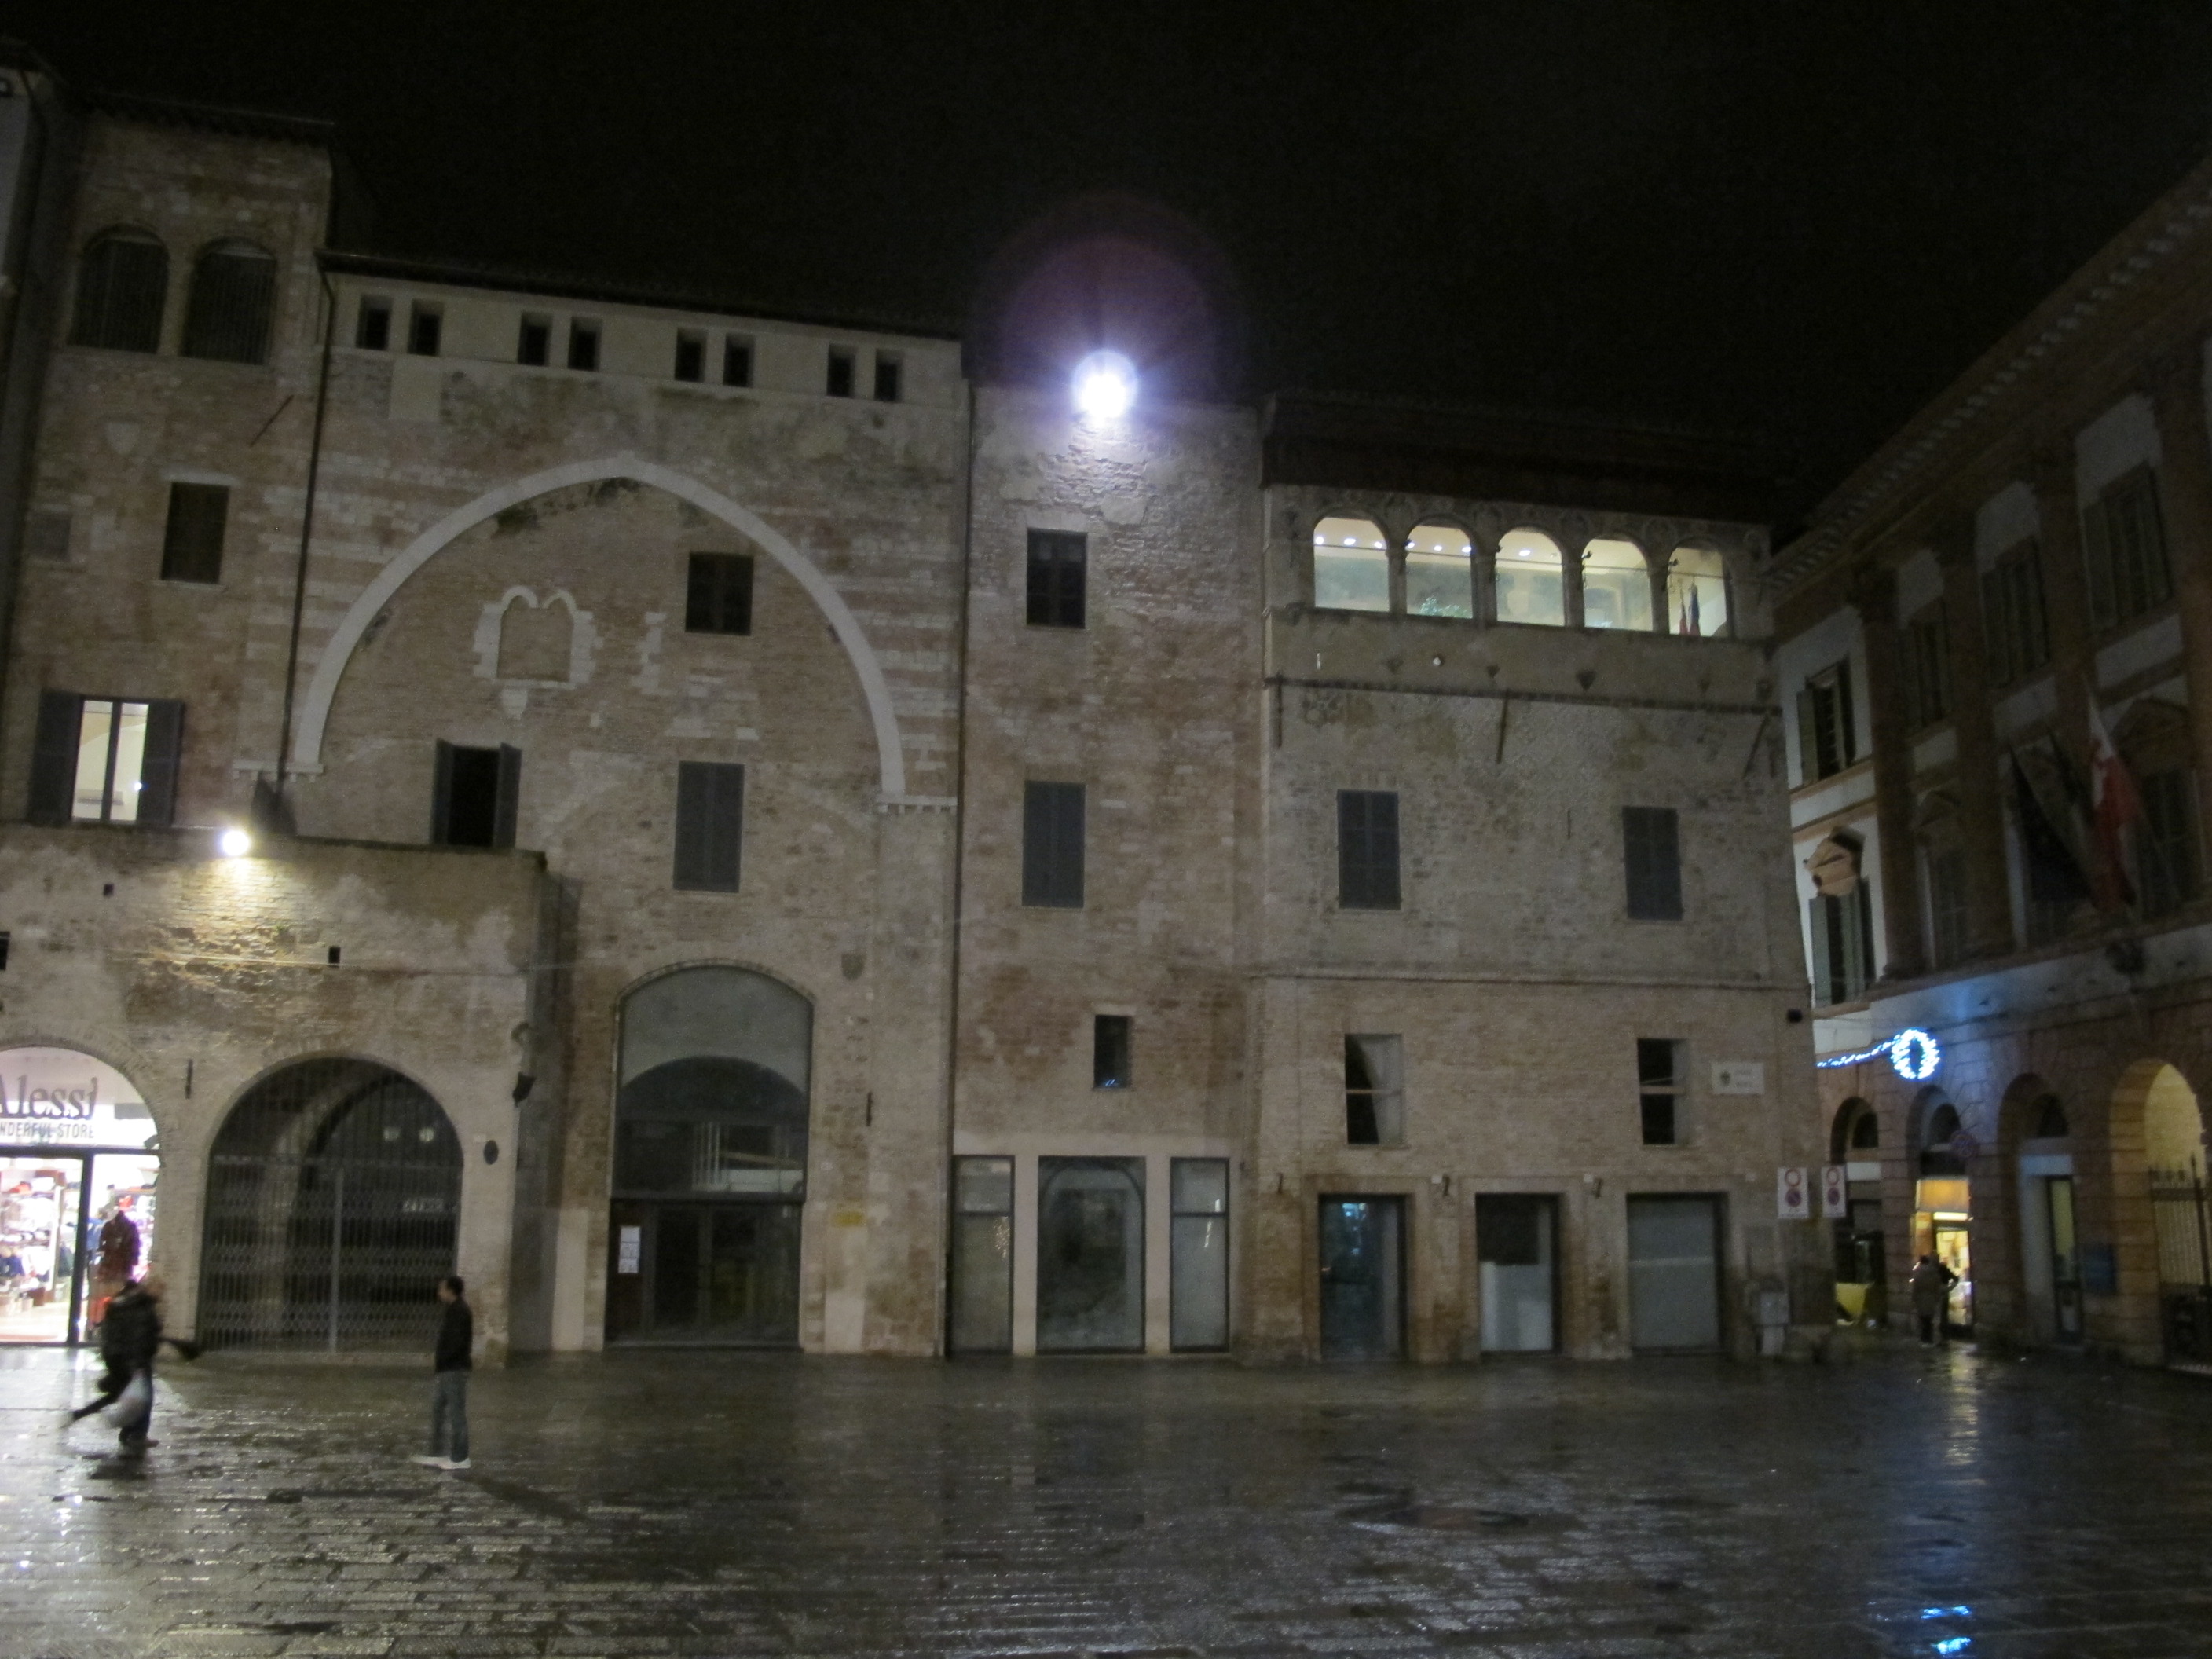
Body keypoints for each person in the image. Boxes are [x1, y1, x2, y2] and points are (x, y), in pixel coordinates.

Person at [72, 1272, 165, 1452]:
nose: (162, 1294)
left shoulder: (132, 1302)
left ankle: (129, 1432)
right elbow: (139, 1337)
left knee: (125, 1396)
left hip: (123, 1359)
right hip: (135, 1362)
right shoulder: (142, 1306)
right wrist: (137, 1365)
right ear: (152, 1289)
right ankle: (135, 1435)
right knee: (142, 1399)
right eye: (160, 1289)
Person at [411, 1276, 471, 1471]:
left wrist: (445, 1358)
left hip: (454, 1369)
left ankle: (460, 1457)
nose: (439, 1293)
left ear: (451, 1290)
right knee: (437, 1410)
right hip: (445, 1369)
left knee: (456, 1414)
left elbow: (457, 1342)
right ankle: (436, 1452)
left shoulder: (461, 1312)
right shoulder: (453, 1310)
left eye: (442, 1289)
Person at [1908, 1253, 1958, 1346]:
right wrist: (1950, 1287)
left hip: (1921, 1299)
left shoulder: (1918, 1274)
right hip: (1933, 1299)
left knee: (1924, 1319)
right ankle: (1935, 1339)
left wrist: (1913, 1299)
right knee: (1933, 1319)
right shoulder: (1935, 1273)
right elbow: (1938, 1288)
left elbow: (1915, 1288)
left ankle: (1925, 1340)